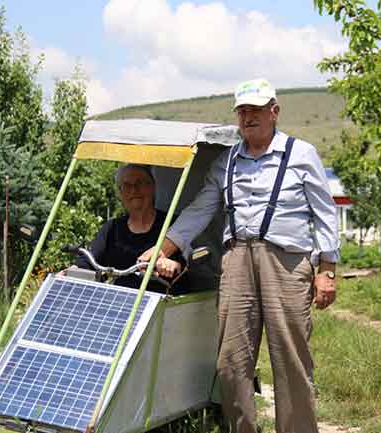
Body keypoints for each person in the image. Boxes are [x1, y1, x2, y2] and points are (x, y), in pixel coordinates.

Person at [139, 78, 340, 433]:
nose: (249, 117)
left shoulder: (301, 154)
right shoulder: (227, 160)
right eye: (243, 111)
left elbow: (325, 213)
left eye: (257, 110)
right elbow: (201, 209)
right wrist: (163, 248)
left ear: (274, 111)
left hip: (287, 263)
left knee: (290, 360)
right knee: (231, 361)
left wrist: (326, 270)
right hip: (236, 263)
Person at [76, 164, 186, 293]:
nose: (134, 190)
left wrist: (174, 265)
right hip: (118, 302)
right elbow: (89, 261)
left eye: (140, 183)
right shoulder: (111, 229)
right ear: (120, 193)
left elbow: (189, 263)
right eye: (127, 185)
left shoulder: (174, 224)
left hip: (163, 303)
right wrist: (72, 269)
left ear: (152, 187)